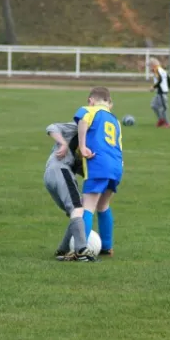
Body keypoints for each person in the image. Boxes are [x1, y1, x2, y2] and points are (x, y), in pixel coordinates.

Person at [75, 87, 123, 258]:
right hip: (116, 166)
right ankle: (107, 247)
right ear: (109, 103)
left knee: (87, 206)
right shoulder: (115, 120)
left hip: (98, 164)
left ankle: (81, 249)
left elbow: (82, 120)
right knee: (103, 205)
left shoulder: (89, 110)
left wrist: (82, 146)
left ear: (91, 100)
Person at [44, 121, 94, 262]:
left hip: (54, 175)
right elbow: (51, 127)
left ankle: (63, 249)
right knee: (77, 209)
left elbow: (84, 170)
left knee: (77, 211)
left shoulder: (93, 138)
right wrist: (63, 143)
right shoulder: (82, 125)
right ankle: (82, 250)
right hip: (60, 169)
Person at [149, 58, 170, 129]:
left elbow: (161, 80)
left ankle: (167, 123)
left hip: (162, 92)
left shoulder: (157, 69)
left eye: (150, 65)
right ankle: (161, 120)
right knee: (154, 105)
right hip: (160, 92)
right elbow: (169, 79)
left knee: (163, 108)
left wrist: (154, 87)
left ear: (153, 65)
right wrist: (168, 87)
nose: (149, 67)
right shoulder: (161, 70)